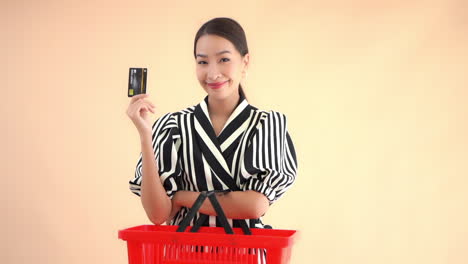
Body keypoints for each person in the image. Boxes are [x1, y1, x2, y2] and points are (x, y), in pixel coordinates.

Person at [126, 17, 297, 230]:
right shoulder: (172, 126)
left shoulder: (267, 125)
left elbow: (254, 205)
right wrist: (145, 136)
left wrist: (181, 197)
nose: (213, 73)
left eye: (224, 59)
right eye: (203, 62)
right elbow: (158, 214)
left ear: (245, 62)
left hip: (244, 255)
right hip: (184, 255)